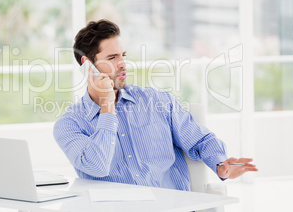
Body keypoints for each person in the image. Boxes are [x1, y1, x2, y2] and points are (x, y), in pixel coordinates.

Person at [53, 19, 258, 191]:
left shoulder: (157, 101)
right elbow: (97, 166)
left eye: (123, 55)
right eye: (112, 57)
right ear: (87, 65)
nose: (122, 63)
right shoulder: (69, 125)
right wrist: (107, 107)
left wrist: (221, 163)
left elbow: (200, 139)